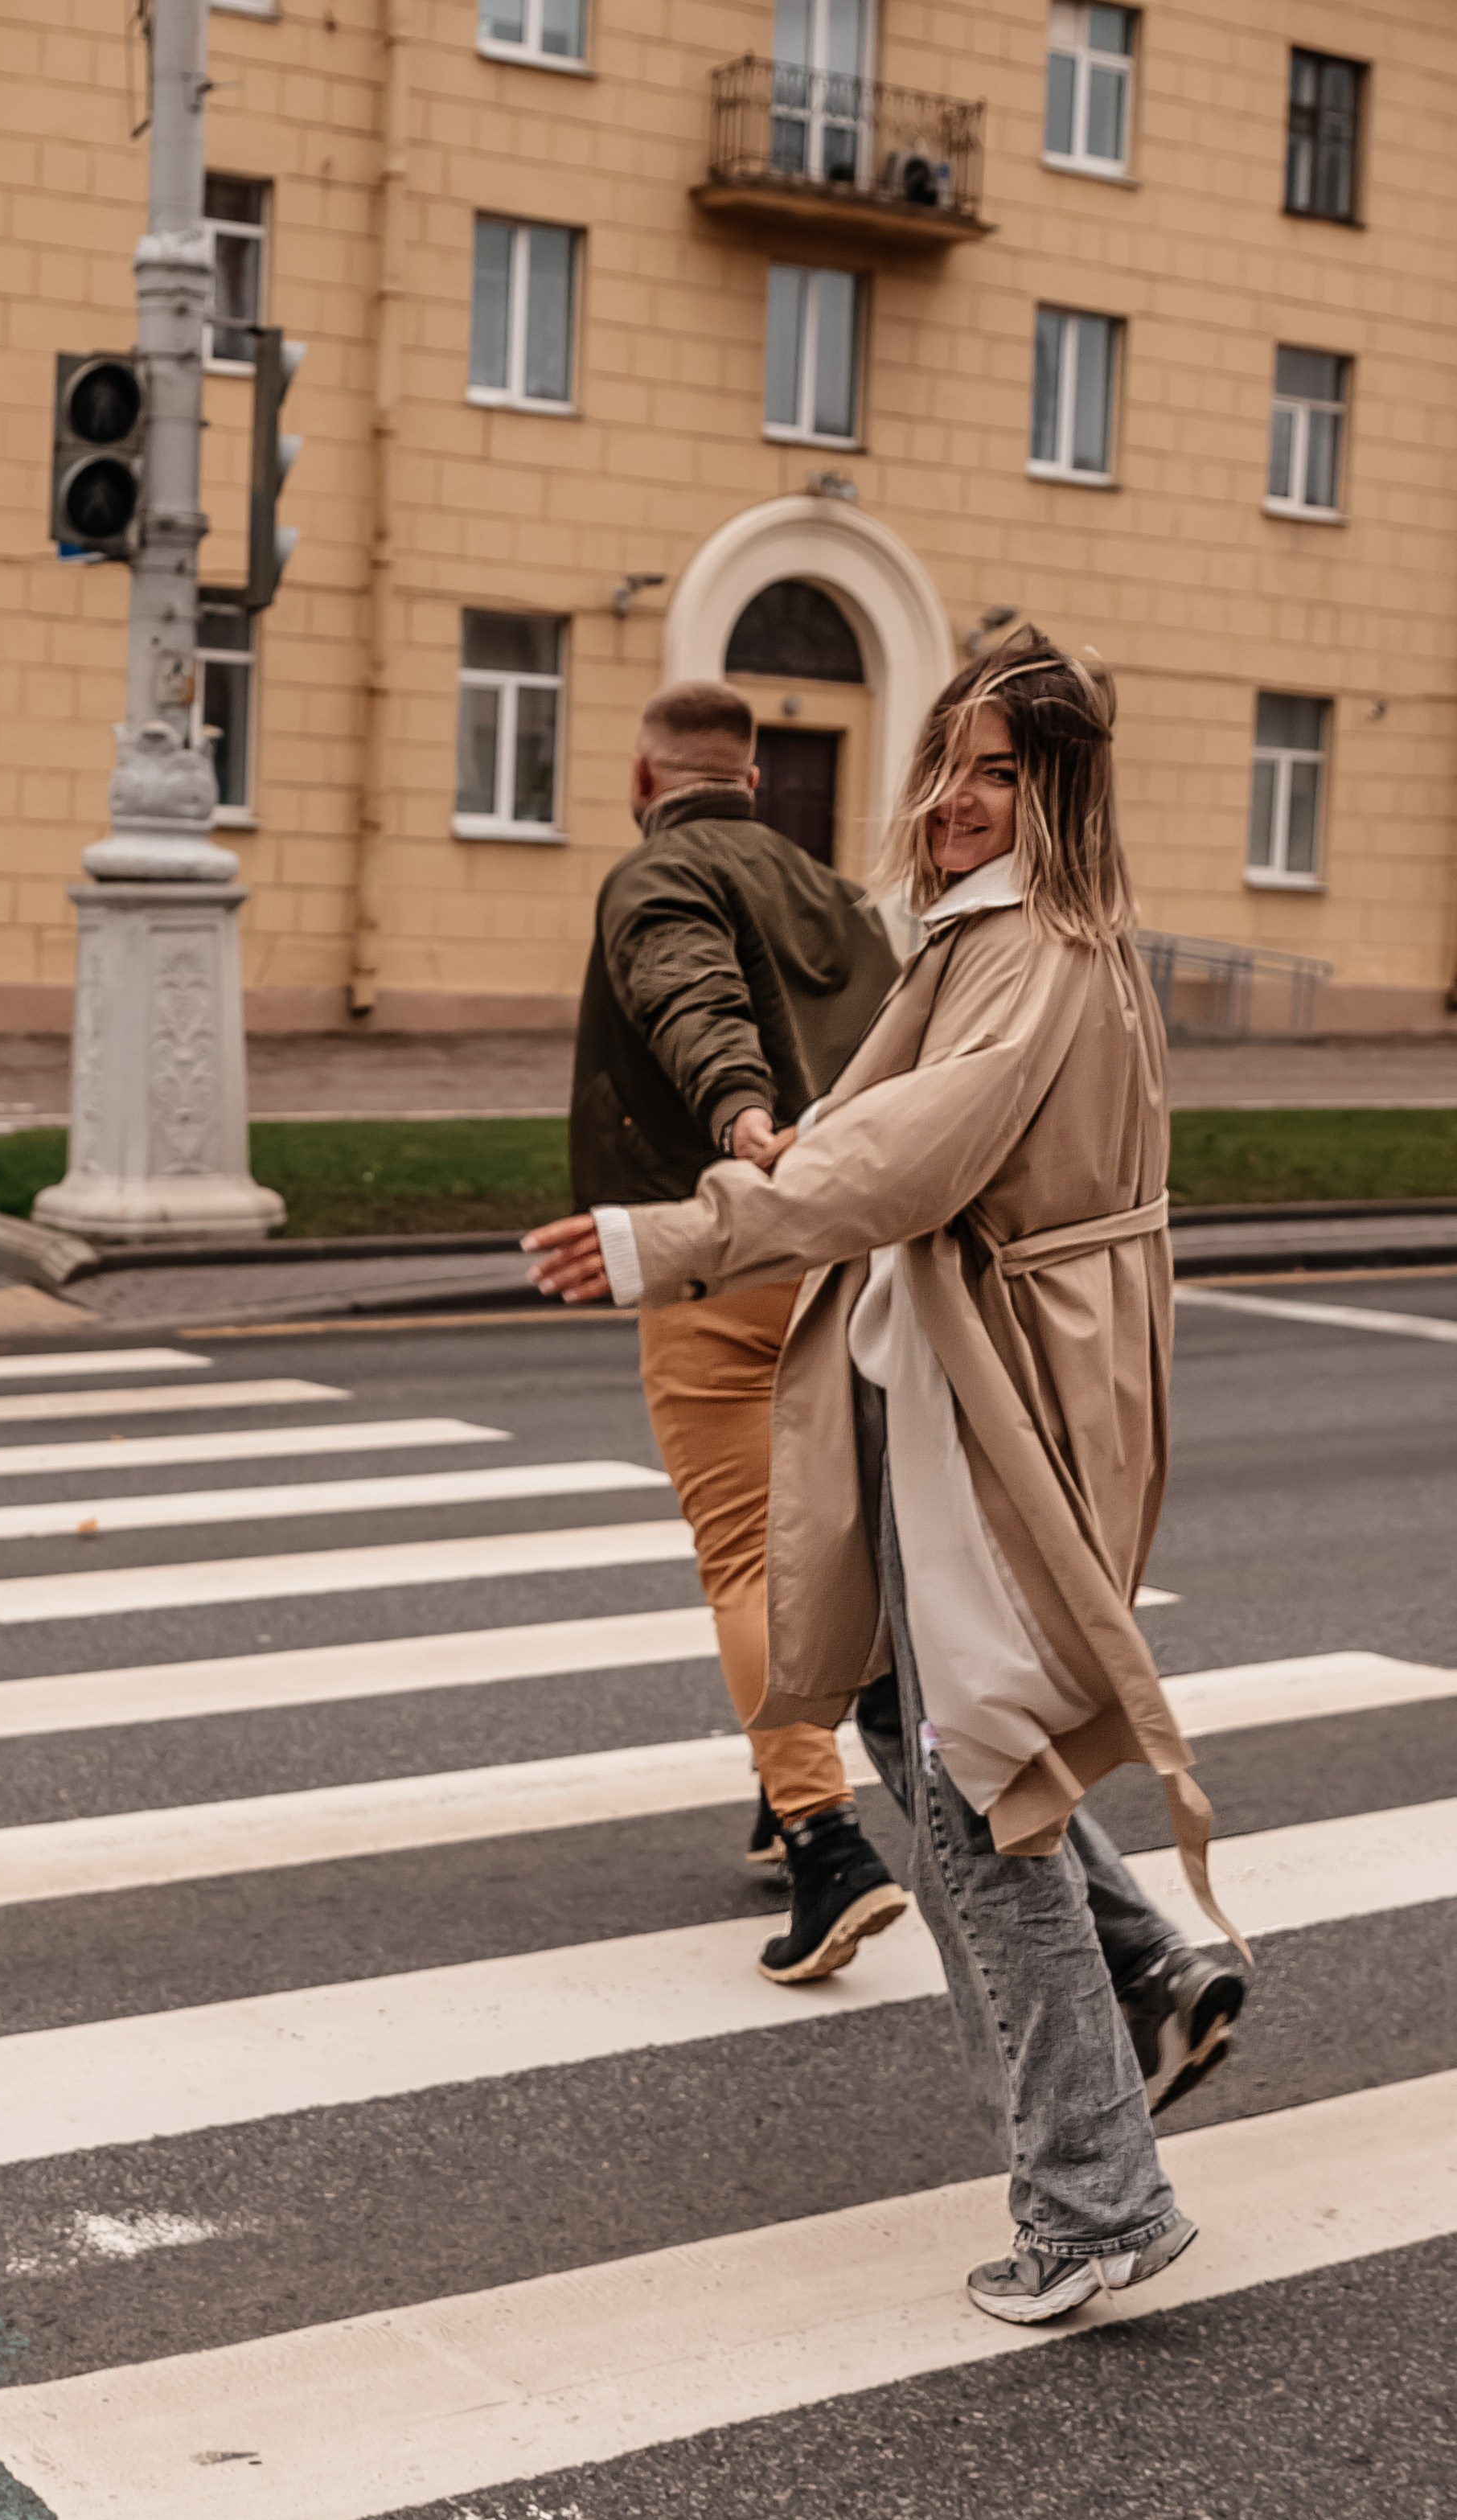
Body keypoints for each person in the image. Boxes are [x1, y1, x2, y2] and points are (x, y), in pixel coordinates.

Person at [527, 630, 1252, 2325]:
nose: (949, 795)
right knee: (922, 1728)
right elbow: (877, 1117)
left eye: (995, 769)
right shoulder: (981, 934)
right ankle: (1148, 1984)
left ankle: (1094, 2196)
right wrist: (794, 1147)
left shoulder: (1037, 953)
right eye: (943, 759)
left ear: (1056, 789)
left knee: (965, 1788)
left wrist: (678, 1228)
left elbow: (918, 1148)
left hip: (1004, 1390)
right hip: (957, 1372)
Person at [571, 677, 910, 1981]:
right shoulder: (830, 897)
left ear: (645, 781)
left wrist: (739, 1116)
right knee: (832, 1530)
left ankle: (828, 1843)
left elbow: (684, 991)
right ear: (755, 780)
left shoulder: (653, 875)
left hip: (720, 1245)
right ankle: (784, 1795)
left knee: (745, 1553)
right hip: (850, 1255)